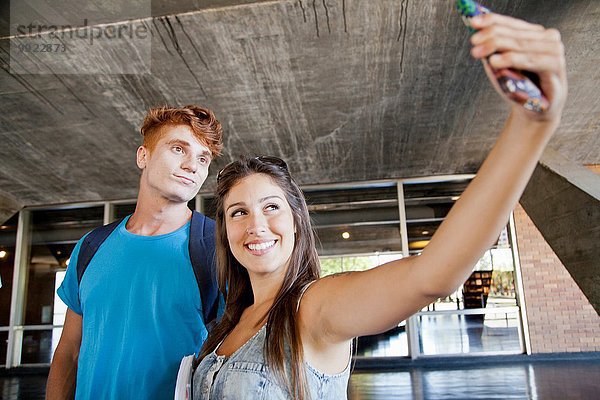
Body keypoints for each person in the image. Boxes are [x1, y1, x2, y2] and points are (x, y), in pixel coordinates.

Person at [192, 12, 567, 400]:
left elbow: (431, 277)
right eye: (239, 212)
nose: (256, 224)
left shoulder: (315, 308)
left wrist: (532, 124)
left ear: (297, 223)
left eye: (271, 207)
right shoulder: (227, 321)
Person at [46, 105, 223, 399]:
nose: (193, 165)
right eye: (179, 149)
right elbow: (69, 353)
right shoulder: (91, 246)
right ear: (144, 156)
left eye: (203, 159)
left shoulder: (217, 249)